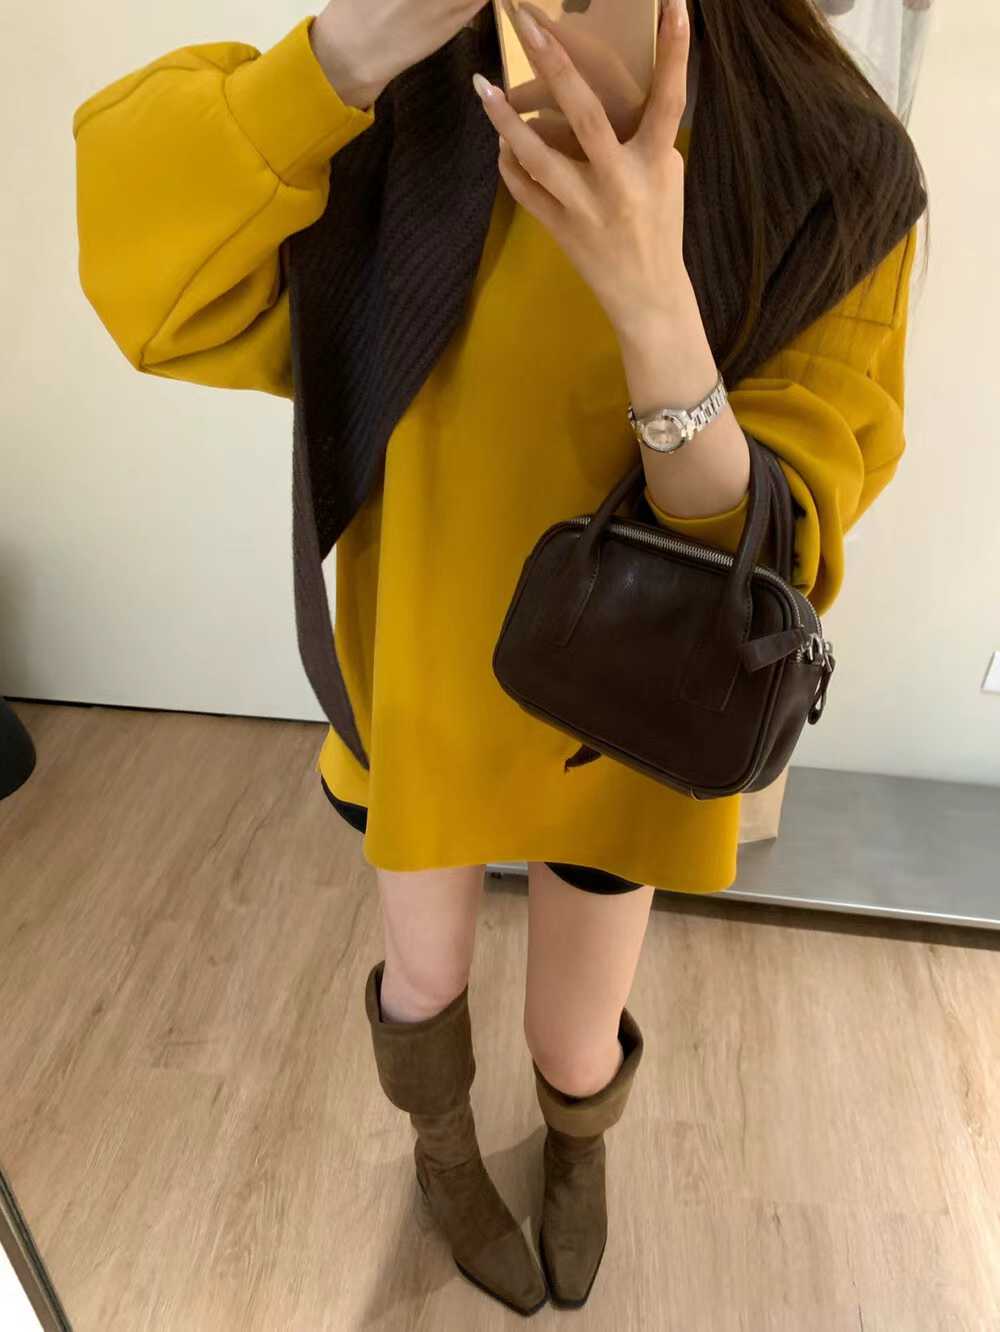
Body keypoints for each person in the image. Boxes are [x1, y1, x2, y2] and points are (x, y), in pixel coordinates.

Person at [72, 0, 926, 1315]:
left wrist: (653, 302)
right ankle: (443, 1149)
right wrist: (342, 57)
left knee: (575, 1031)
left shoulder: (828, 158)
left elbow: (775, 546)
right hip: (427, 658)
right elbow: (154, 278)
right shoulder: (405, 101)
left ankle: (578, 1145)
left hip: (633, 698)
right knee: (425, 975)